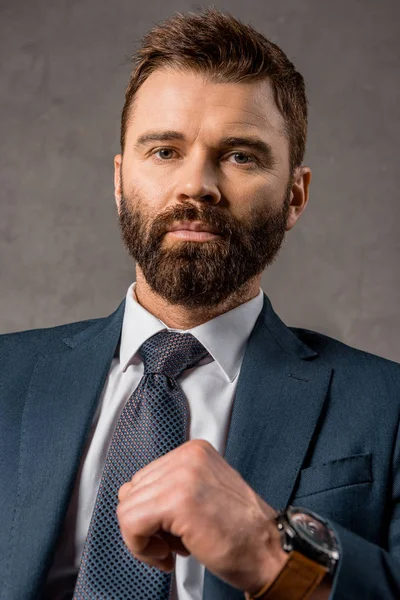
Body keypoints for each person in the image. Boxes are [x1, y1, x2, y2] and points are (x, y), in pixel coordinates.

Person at [0, 6, 399, 600]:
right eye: (164, 151)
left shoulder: (388, 408)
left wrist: (273, 553)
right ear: (118, 182)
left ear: (295, 195)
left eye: (241, 155)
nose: (197, 185)